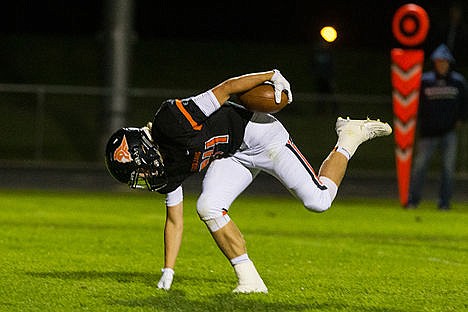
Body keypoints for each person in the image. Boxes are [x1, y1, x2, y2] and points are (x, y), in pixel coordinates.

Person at [104, 69, 392, 293]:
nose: (143, 178)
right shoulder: (165, 172)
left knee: (318, 201)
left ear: (143, 149)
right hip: (232, 154)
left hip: (258, 133)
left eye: (139, 170)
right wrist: (168, 271)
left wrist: (270, 75)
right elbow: (175, 221)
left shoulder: (172, 120)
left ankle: (349, 137)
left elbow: (226, 89)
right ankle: (250, 281)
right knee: (208, 206)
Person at [407, 44, 468, 210]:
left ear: (449, 63)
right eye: (439, 61)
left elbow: (464, 104)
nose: (442, 64)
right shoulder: (425, 81)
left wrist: (460, 120)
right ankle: (413, 200)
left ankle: (444, 203)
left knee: (448, 169)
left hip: (449, 132)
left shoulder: (458, 81)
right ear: (434, 62)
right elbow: (414, 104)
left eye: (445, 62)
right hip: (428, 133)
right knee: (419, 167)